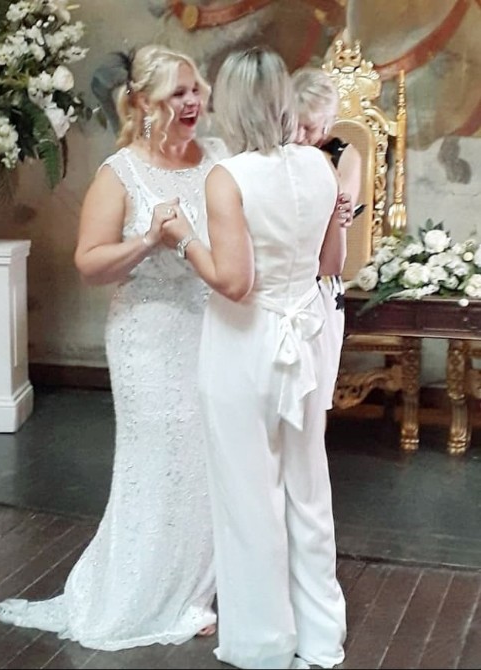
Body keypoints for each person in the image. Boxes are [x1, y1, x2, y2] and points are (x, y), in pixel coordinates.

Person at [0, 44, 229, 650]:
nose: (192, 101)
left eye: (195, 88)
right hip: (147, 336)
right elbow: (90, 264)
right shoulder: (120, 172)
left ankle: (194, 588)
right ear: (144, 103)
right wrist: (150, 239)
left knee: (206, 461)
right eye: (178, 92)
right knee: (156, 463)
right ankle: (140, 592)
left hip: (212, 332)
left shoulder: (220, 161)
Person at [161, 47, 347, 669]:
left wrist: (181, 238)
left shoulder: (228, 175)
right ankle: (321, 640)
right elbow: (329, 266)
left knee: (249, 497)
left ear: (234, 104)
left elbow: (234, 282)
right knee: (308, 491)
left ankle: (265, 645)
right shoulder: (320, 167)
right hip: (305, 342)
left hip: (246, 344)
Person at [292, 66, 362, 408]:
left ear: (328, 122)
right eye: (297, 125)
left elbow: (341, 208)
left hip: (321, 277)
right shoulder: (277, 155)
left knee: (315, 392)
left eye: (311, 127)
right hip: (283, 274)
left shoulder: (344, 156)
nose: (303, 136)